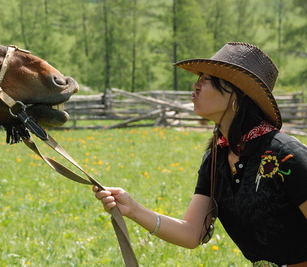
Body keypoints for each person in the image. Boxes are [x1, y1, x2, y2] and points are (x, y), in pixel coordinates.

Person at [94, 42, 307, 267]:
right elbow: (192, 233)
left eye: (206, 80)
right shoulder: (217, 158)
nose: (195, 86)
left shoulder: (287, 156)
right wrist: (133, 209)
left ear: (236, 92)